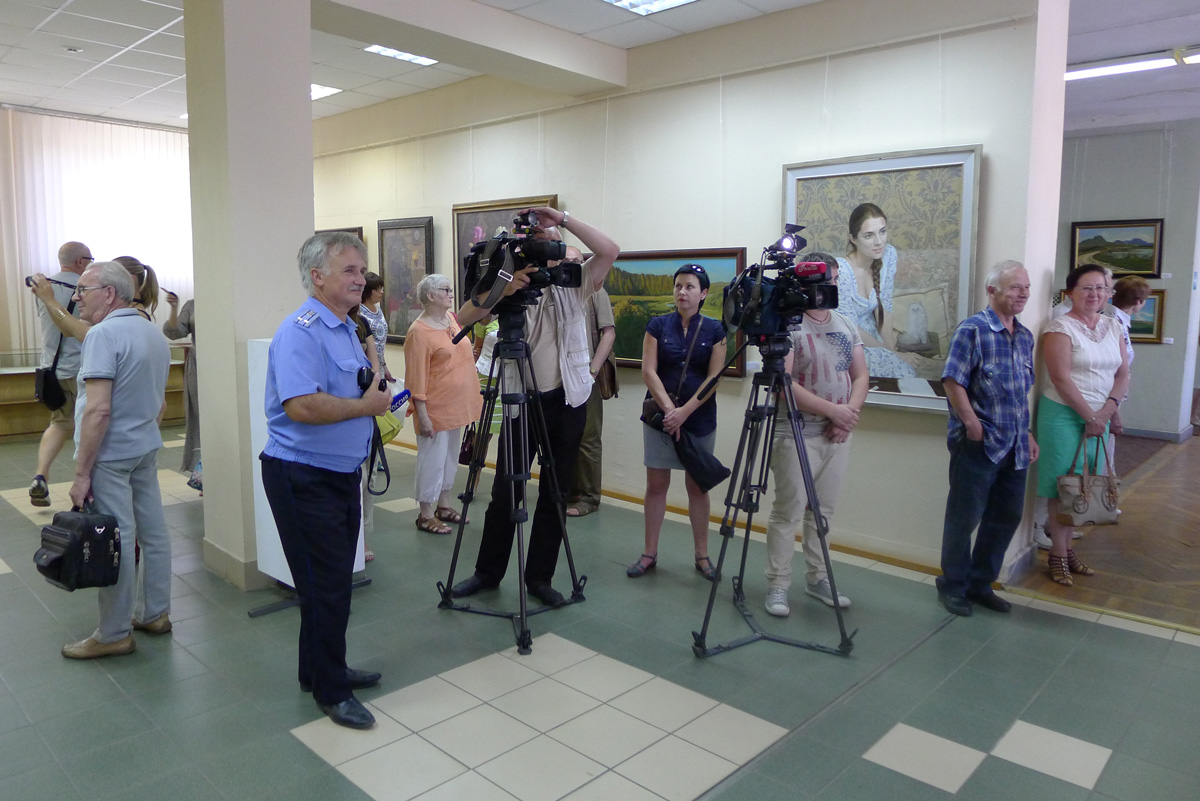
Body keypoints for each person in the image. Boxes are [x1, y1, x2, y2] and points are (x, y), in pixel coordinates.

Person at [450, 207, 619, 607]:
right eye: (542, 247)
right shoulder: (506, 280)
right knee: (505, 492)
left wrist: (561, 219)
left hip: (568, 399)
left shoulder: (575, 283)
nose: (552, 255)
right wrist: (504, 289)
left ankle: (540, 578)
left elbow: (610, 250)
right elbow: (462, 318)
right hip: (519, 401)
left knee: (556, 494)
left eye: (556, 248)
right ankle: (487, 573)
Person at [259, 232, 391, 729]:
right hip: (303, 476)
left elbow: (356, 386)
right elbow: (302, 405)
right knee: (327, 587)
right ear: (317, 277)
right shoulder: (302, 331)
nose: (361, 279)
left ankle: (316, 669)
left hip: (337, 473)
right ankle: (332, 691)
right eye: (349, 270)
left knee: (327, 585)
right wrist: (367, 407)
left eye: (361, 270)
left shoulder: (346, 328)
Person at [61, 261, 173, 658]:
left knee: (118, 539)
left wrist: (81, 473)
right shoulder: (152, 332)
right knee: (153, 532)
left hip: (111, 455)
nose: (77, 297)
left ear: (109, 294)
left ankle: (113, 634)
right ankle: (155, 613)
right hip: (144, 447)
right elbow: (159, 402)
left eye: (83, 290)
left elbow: (98, 410)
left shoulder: (103, 335)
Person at [762, 254, 867, 613]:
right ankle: (778, 584)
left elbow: (860, 375)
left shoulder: (845, 324)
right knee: (788, 511)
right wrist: (832, 411)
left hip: (837, 434)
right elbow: (782, 383)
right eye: (823, 280)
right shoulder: (788, 325)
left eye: (833, 280)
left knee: (822, 512)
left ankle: (818, 577)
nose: (828, 287)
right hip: (795, 431)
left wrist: (846, 416)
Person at [935, 261, 1037, 616]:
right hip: (978, 444)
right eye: (1015, 287)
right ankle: (953, 586)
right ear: (992, 291)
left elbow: (1020, 393)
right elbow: (953, 381)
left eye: (1026, 287)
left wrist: (1027, 434)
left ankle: (980, 584)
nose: (1023, 293)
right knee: (963, 519)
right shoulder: (973, 330)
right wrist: (972, 425)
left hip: (1015, 445)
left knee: (1006, 516)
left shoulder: (1024, 337)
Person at [627, 263, 727, 581]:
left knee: (697, 487)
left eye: (690, 287)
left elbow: (714, 378)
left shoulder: (716, 330)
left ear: (704, 293)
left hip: (699, 420)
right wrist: (671, 411)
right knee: (656, 486)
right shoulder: (657, 325)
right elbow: (648, 371)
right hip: (660, 418)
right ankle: (649, 552)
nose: (682, 292)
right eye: (678, 286)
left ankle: (702, 555)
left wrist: (685, 413)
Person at [1037, 264, 1129, 586]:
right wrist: (1090, 417)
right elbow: (1060, 378)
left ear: (1109, 293)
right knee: (1063, 487)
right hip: (1063, 414)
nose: (1094, 294)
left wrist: (1108, 411)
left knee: (1085, 485)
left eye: (1101, 288)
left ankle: (1067, 550)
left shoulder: (1113, 325)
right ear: (1071, 292)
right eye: (1087, 288)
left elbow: (1123, 373)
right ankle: (1057, 555)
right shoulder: (1059, 327)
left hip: (1099, 417)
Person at [404, 273, 483, 535]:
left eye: (450, 289)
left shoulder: (450, 318)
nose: (451, 293)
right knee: (432, 460)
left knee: (449, 459)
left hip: (457, 406)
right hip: (435, 410)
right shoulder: (419, 332)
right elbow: (416, 378)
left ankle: (444, 505)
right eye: (445, 290)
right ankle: (426, 514)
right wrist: (423, 415)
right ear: (430, 296)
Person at [27, 240, 92, 507]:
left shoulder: (43, 288)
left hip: (52, 372)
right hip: (81, 370)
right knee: (91, 427)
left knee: (60, 423)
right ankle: (86, 486)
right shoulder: (86, 289)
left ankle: (40, 475)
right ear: (80, 261)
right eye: (89, 260)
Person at [835, 203, 918, 379]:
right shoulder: (841, 271)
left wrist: (892, 350)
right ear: (853, 239)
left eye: (882, 231)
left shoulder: (888, 255)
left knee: (904, 372)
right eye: (869, 235)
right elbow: (850, 327)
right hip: (849, 341)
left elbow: (885, 308)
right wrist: (891, 353)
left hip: (874, 336)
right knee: (893, 370)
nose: (879, 242)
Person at [567, 259, 616, 518]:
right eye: (567, 261)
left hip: (587, 377)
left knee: (588, 438)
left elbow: (609, 333)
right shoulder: (558, 293)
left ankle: (589, 497)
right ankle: (569, 491)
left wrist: (592, 371)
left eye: (577, 261)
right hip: (561, 379)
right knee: (565, 437)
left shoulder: (596, 292)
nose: (572, 265)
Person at [162, 292, 200, 473]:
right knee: (198, 416)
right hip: (198, 365)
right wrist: (174, 308)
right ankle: (201, 470)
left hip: (223, 362)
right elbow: (174, 332)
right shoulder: (192, 305)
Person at [358, 272, 395, 384]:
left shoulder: (378, 310)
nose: (381, 292)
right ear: (367, 291)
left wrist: (384, 366)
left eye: (382, 288)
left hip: (380, 367)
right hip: (366, 368)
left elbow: (380, 344)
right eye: (378, 289)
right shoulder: (359, 313)